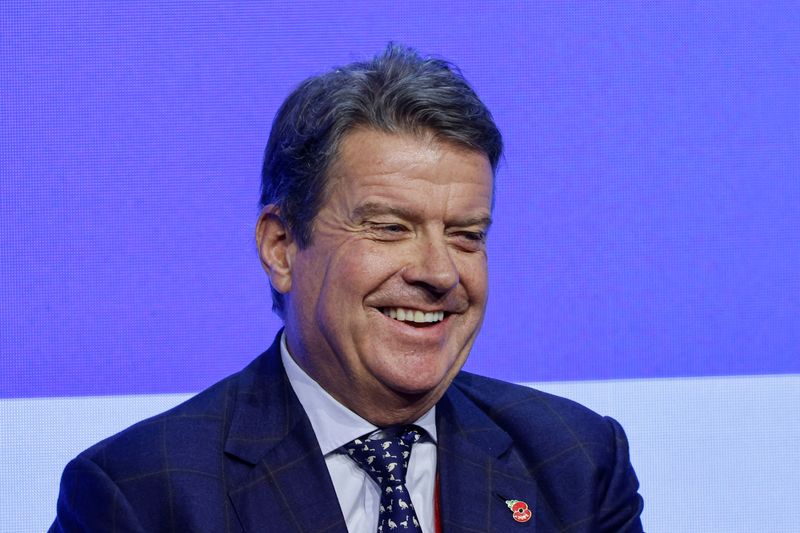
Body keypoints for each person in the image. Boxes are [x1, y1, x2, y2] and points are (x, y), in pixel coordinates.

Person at [51, 44, 644, 532]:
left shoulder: (577, 462)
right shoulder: (140, 497)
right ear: (281, 247)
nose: (439, 273)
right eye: (390, 228)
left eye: (466, 234)